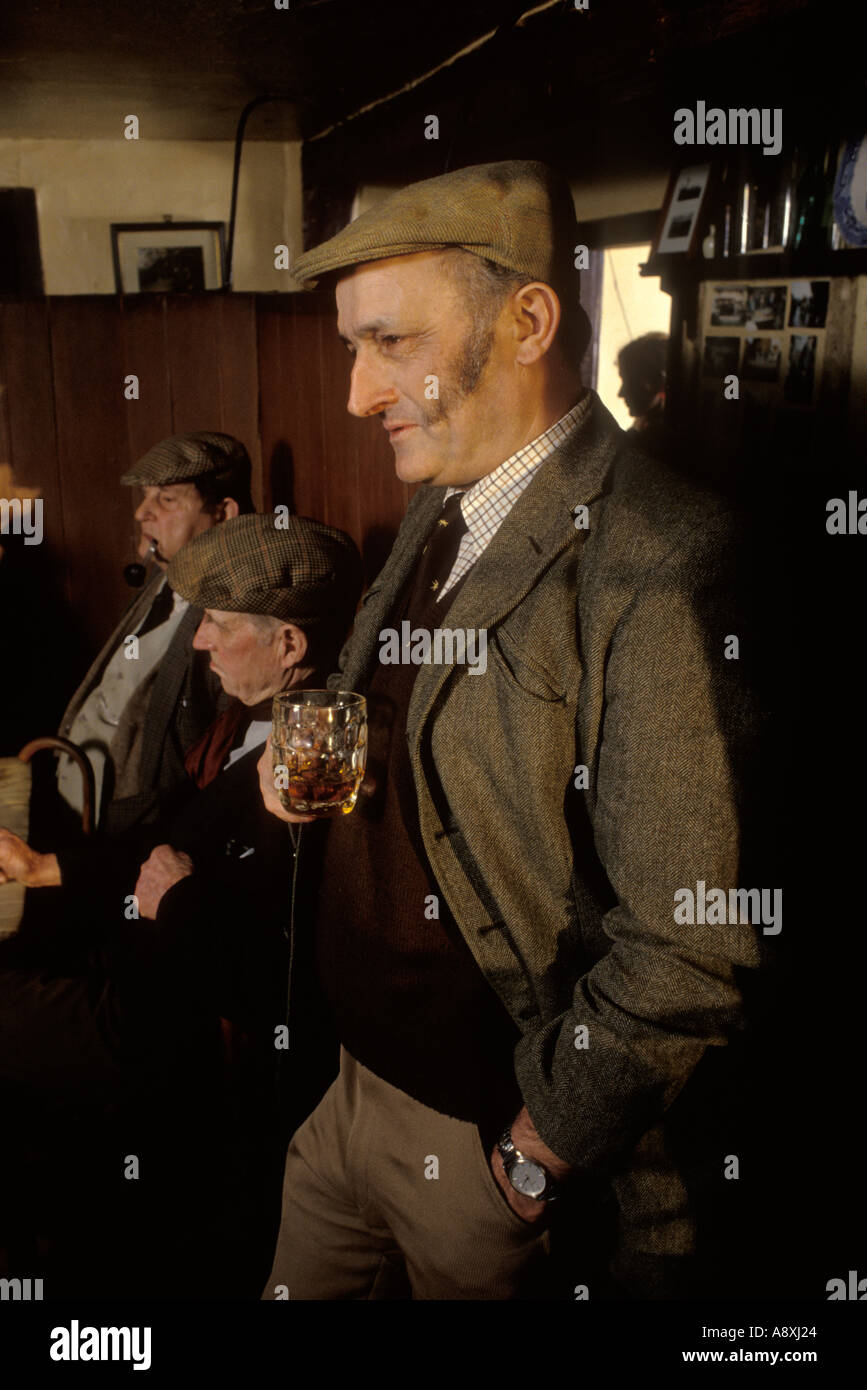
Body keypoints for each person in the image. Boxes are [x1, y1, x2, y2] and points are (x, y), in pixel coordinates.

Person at [257, 160, 763, 1301]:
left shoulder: (662, 557)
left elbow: (693, 946)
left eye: (390, 343)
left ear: (529, 320)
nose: (355, 392)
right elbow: (368, 693)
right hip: (349, 1094)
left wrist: (532, 1158)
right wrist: (295, 765)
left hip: (489, 1151)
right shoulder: (438, 501)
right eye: (353, 347)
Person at [0, 511, 362, 1296]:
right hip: (136, 979)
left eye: (219, 626)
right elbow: (159, 839)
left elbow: (291, 983)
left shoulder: (320, 757)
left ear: (289, 647)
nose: (198, 642)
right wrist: (42, 867)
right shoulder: (250, 716)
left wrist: (181, 898)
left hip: (181, 1038)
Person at [55, 431, 255, 838]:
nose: (142, 513)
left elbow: (197, 761)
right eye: (146, 497)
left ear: (224, 513)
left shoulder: (232, 615)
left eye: (166, 499)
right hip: (74, 807)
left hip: (126, 835)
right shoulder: (165, 580)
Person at [616, 332, 670, 460]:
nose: (620, 393)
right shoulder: (641, 430)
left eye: (628, 381)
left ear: (654, 383)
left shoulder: (653, 442)